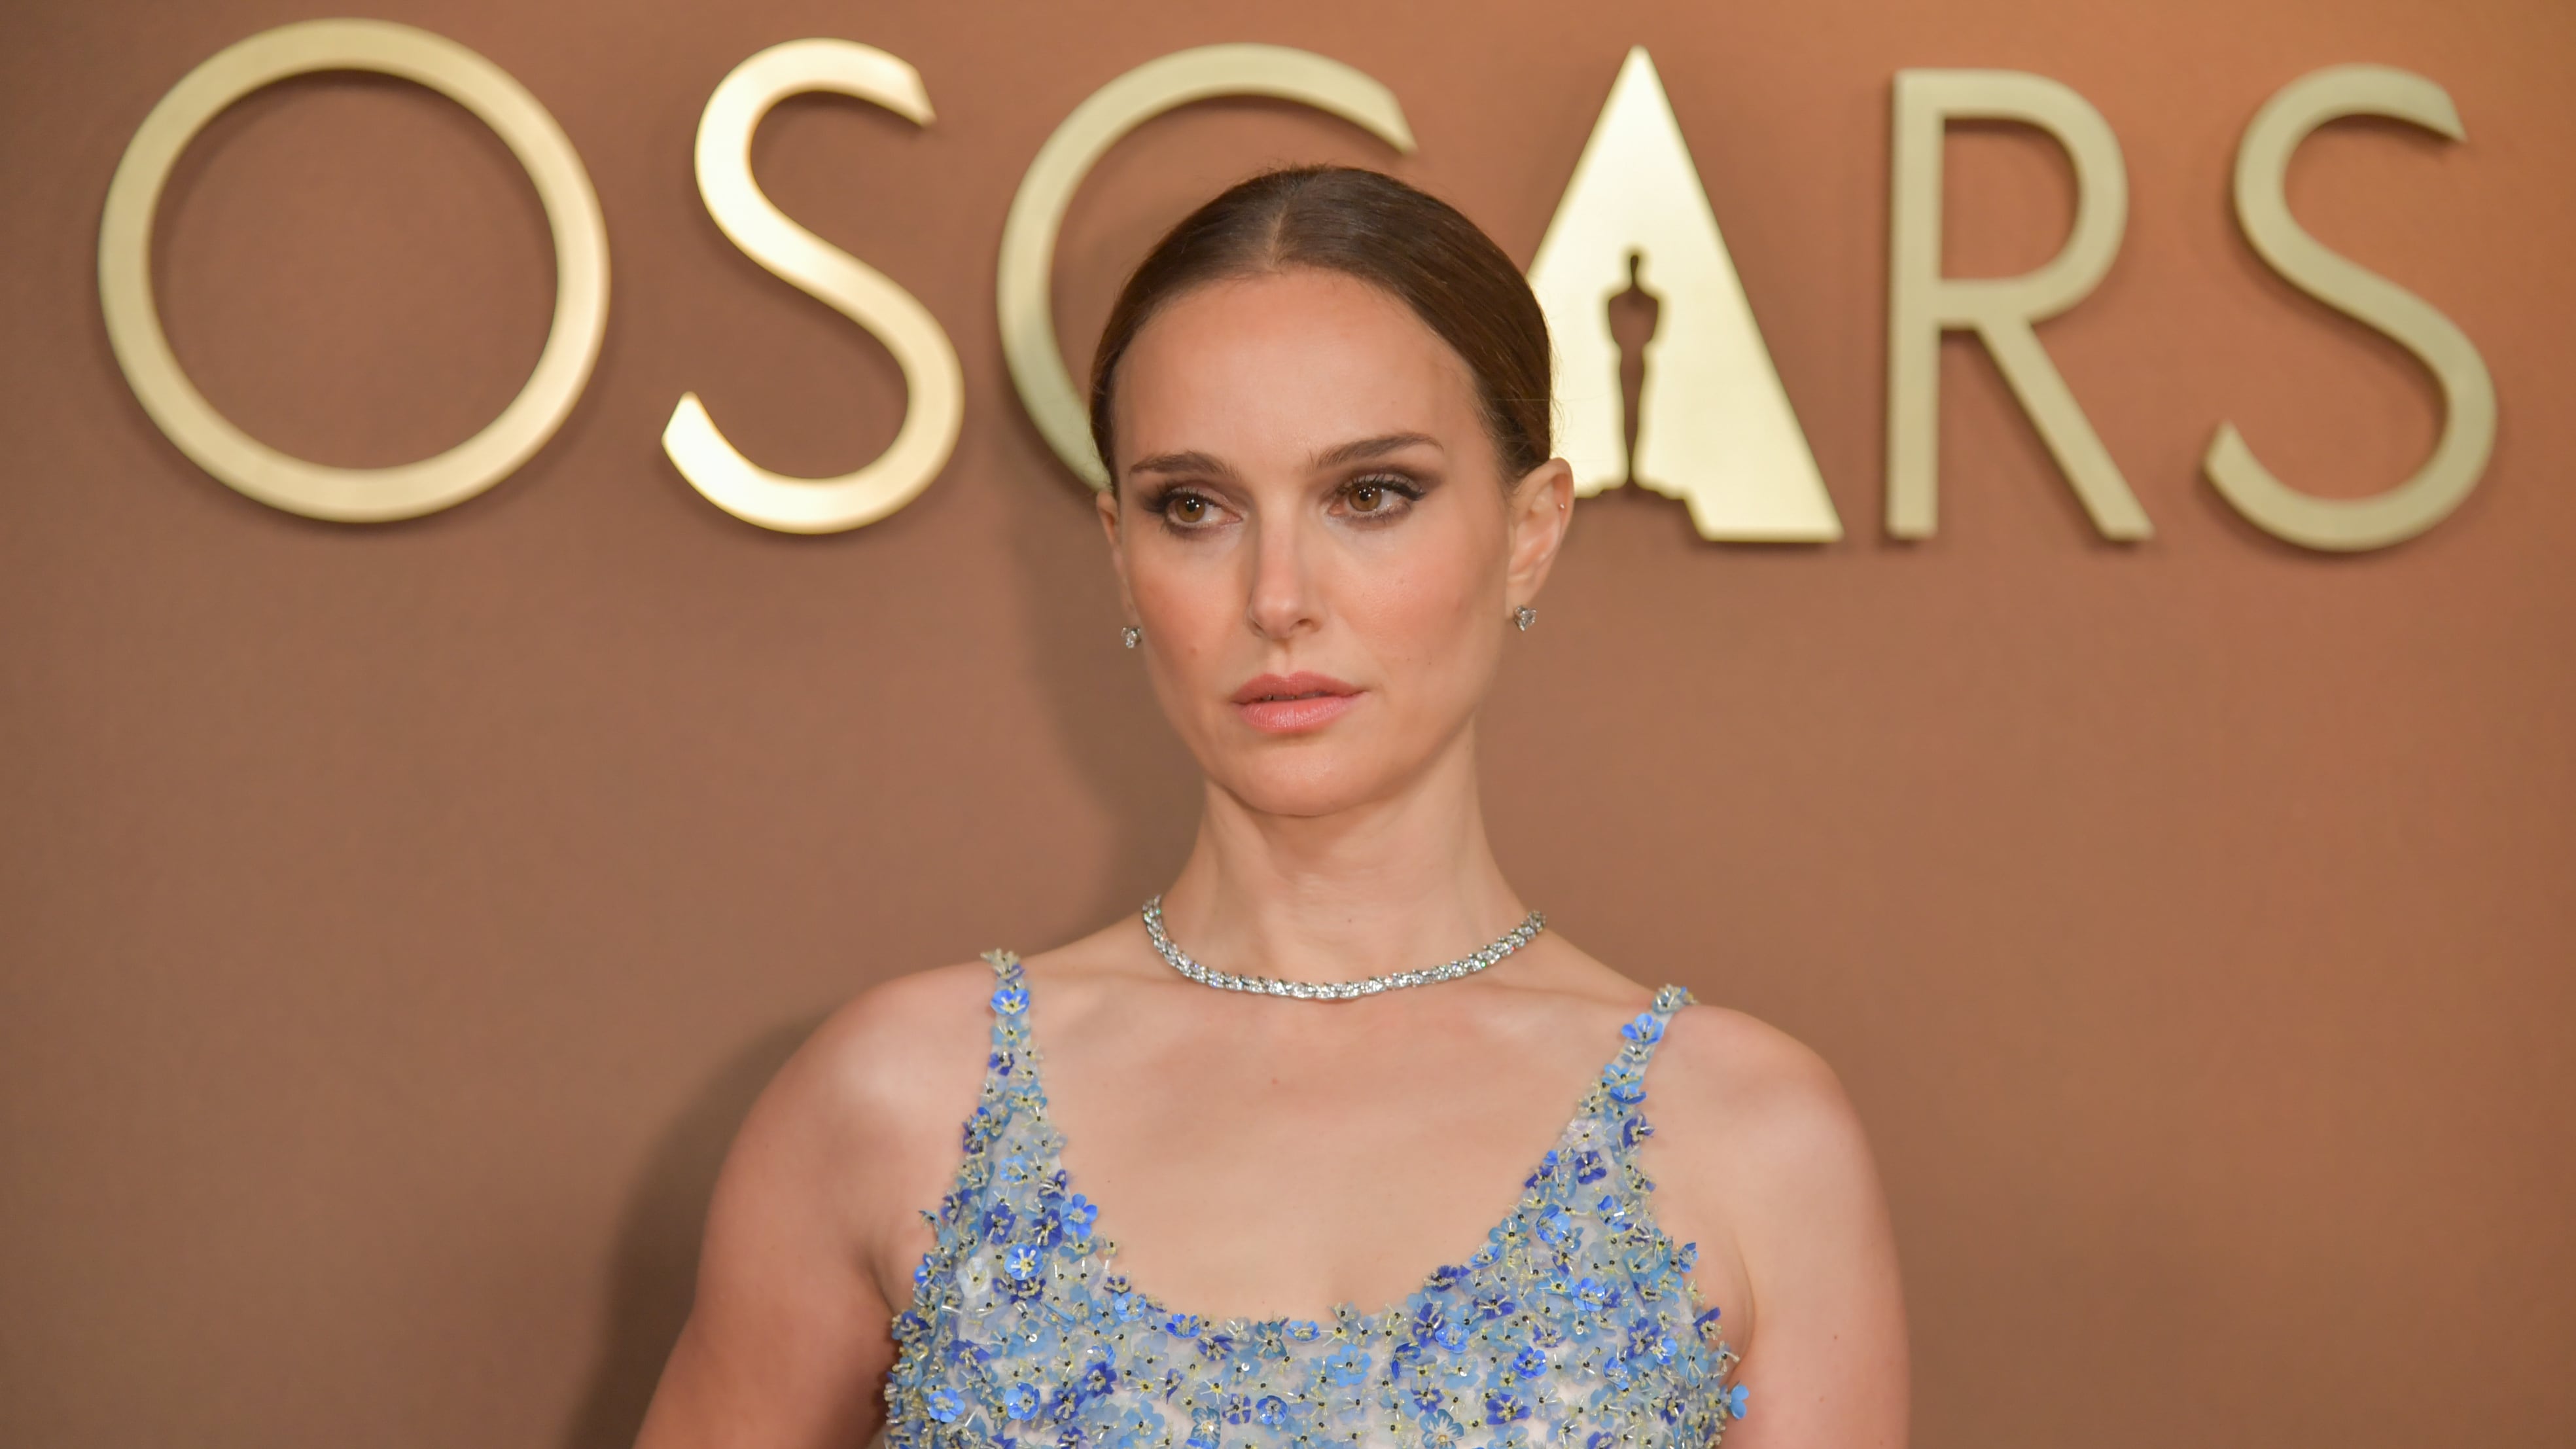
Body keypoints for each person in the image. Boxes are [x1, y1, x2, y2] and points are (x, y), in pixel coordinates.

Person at [633, 166, 1908, 1449]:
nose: (1277, 596)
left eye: (1370, 494)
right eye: (1194, 508)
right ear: (1120, 552)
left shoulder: (1749, 1138)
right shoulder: (897, 1100)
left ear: (1531, 531)